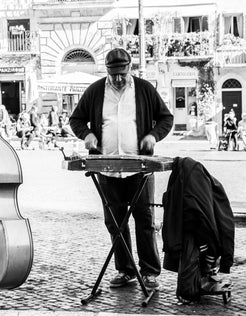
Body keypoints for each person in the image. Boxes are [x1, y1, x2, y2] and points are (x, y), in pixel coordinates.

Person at [70, 48, 173, 290]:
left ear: (130, 68)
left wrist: (152, 136)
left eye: (122, 74)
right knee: (115, 221)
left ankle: (149, 272)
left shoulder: (145, 89)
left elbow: (166, 118)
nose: (118, 79)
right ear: (107, 70)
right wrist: (87, 134)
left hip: (139, 167)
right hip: (107, 168)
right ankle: (125, 270)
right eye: (113, 74)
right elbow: (76, 119)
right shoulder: (96, 90)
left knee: (145, 220)